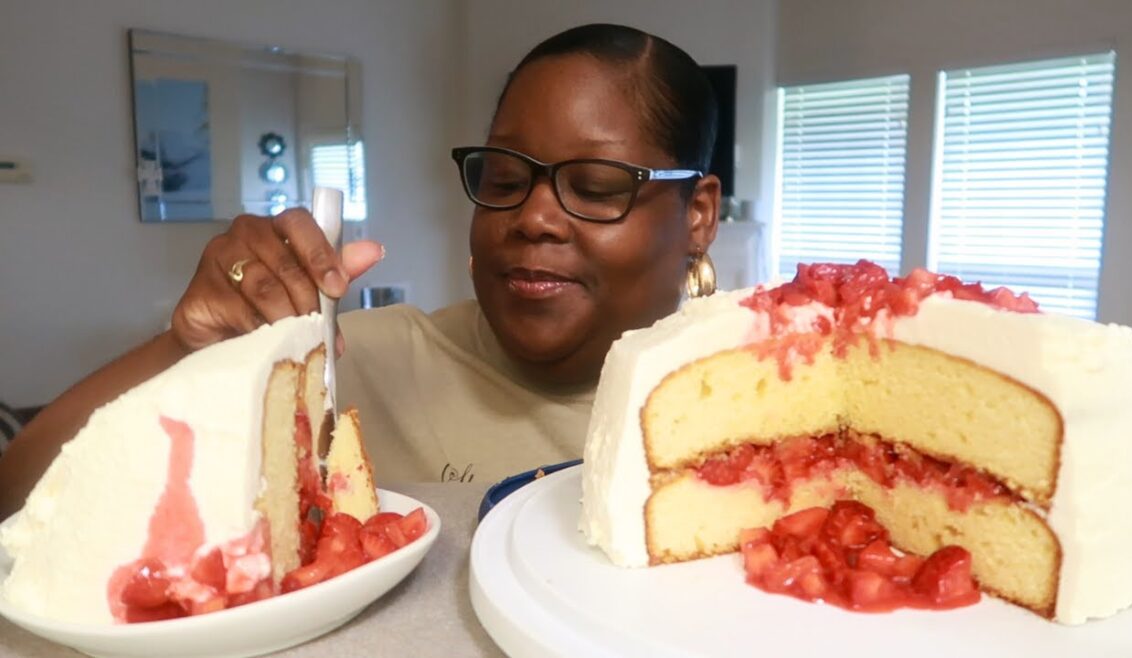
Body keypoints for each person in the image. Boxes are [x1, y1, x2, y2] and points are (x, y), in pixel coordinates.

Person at [0, 23, 721, 518]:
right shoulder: (353, 362)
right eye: (504, 177)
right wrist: (185, 345)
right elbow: (19, 496)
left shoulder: (756, 389)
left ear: (697, 216)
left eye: (595, 185)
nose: (532, 217)